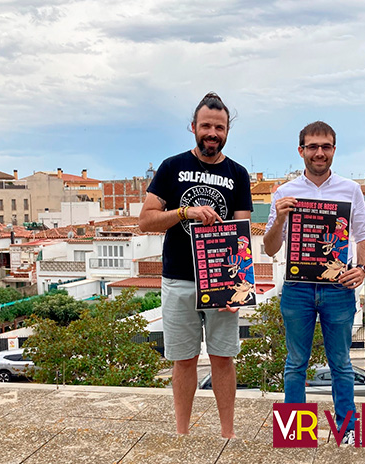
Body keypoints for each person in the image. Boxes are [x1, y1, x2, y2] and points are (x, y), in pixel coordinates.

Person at [139, 92, 252, 438]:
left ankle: (228, 434)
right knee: (184, 360)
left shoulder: (239, 174)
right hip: (179, 280)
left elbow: (242, 236)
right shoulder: (172, 167)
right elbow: (146, 221)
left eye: (219, 127)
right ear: (193, 127)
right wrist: (185, 212)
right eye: (206, 125)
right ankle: (182, 434)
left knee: (222, 359)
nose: (212, 133)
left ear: (227, 130)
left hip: (221, 283)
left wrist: (239, 289)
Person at [263, 121, 365, 445]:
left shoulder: (351, 190)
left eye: (325, 146)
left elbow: (364, 234)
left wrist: (362, 268)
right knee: (295, 363)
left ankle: (347, 429)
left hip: (338, 288)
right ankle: (296, 433)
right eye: (312, 146)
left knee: (341, 363)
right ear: (301, 151)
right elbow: (270, 248)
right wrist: (281, 217)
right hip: (297, 289)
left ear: (334, 150)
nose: (319, 152)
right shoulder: (284, 193)